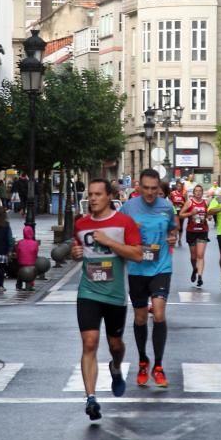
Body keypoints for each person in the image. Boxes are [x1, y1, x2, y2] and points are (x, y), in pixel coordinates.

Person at [72, 178, 142, 421]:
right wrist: (75, 253)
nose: (92, 198)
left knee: (115, 345)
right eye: (90, 194)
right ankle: (91, 398)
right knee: (89, 342)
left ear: (109, 196)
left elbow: (137, 254)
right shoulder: (81, 224)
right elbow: (78, 249)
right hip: (88, 291)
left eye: (98, 194)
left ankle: (115, 367)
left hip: (116, 294)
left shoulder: (124, 222)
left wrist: (111, 242)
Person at [122, 168, 178, 389]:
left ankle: (159, 366)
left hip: (161, 266)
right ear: (139, 187)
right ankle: (143, 360)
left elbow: (172, 230)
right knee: (140, 319)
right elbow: (119, 234)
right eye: (146, 188)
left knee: (160, 313)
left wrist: (172, 238)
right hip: (137, 269)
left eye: (154, 189)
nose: (150, 193)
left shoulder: (167, 207)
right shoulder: (129, 208)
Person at [179, 184, 209, 287]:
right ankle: (194, 269)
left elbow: (208, 214)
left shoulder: (206, 202)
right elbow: (181, 215)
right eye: (196, 191)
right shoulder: (189, 202)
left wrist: (208, 217)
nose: (198, 193)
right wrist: (191, 213)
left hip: (202, 231)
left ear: (202, 192)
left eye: (200, 191)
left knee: (200, 255)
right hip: (191, 231)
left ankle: (200, 277)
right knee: (193, 257)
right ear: (194, 192)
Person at [15, 225, 39, 291]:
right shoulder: (35, 243)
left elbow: (18, 252)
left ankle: (19, 284)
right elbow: (36, 253)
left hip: (22, 262)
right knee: (34, 269)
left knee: (20, 270)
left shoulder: (20, 242)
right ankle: (31, 284)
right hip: (31, 262)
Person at [169, 180, 186, 245]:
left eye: (180, 186)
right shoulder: (172, 193)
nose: (179, 187)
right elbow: (169, 200)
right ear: (176, 186)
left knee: (181, 226)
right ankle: (175, 237)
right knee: (175, 225)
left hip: (181, 211)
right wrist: (173, 204)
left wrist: (182, 203)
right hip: (174, 211)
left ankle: (180, 239)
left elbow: (186, 203)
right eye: (178, 186)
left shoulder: (183, 194)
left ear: (182, 187)